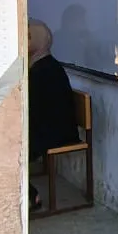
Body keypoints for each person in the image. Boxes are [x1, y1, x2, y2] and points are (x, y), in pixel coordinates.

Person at [26, 19, 80, 211]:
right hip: (45, 127)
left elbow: (33, 110)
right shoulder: (40, 66)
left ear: (36, 41)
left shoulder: (45, 70)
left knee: (10, 148)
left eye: (27, 37)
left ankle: (31, 197)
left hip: (56, 133)